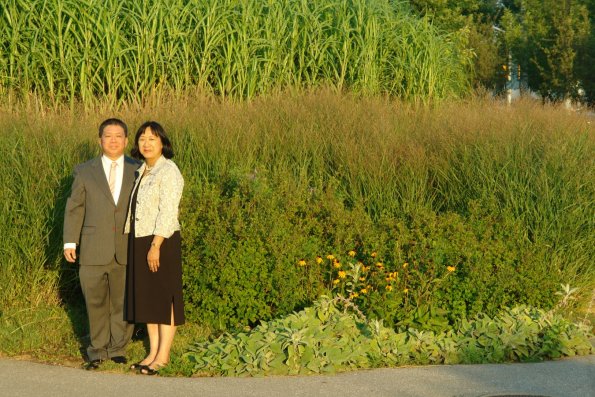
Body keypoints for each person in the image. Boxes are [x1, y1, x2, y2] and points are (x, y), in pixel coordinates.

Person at [63, 118, 139, 370]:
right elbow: (75, 207)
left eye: (119, 136)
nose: (113, 140)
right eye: (108, 136)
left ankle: (117, 348)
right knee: (94, 301)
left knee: (123, 301)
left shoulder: (138, 169)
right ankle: (96, 350)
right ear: (100, 140)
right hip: (93, 247)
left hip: (127, 247)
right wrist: (70, 242)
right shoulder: (85, 170)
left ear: (126, 140)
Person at [124, 121, 185, 375]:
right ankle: (152, 352)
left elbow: (168, 211)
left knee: (165, 297)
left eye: (152, 138)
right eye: (142, 139)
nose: (146, 143)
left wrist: (156, 245)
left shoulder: (168, 171)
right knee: (149, 298)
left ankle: (164, 356)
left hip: (161, 240)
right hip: (141, 239)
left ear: (162, 143)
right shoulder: (142, 170)